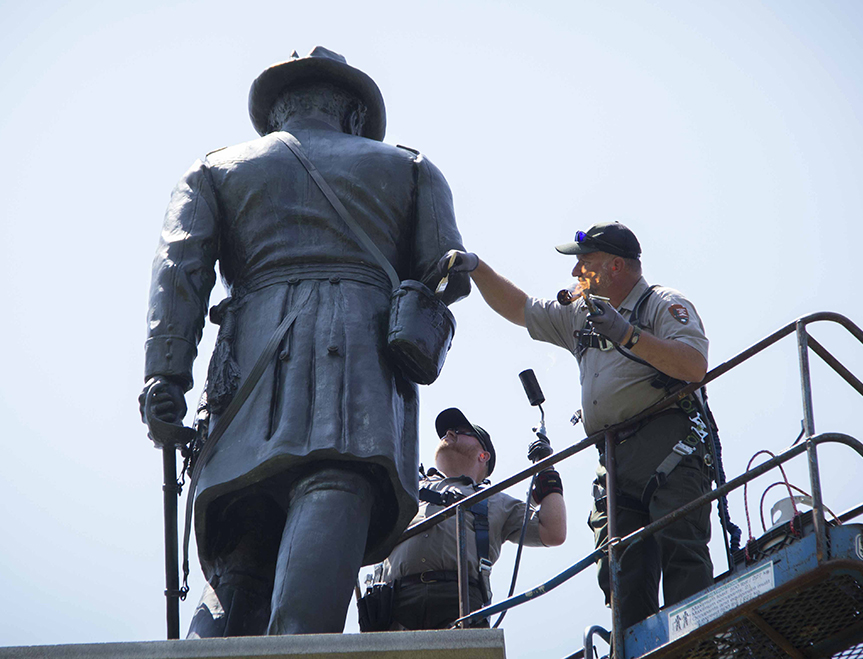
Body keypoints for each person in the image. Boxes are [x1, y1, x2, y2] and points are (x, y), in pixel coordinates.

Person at [139, 47, 470, 637]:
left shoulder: (215, 169)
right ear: (353, 115)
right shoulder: (411, 167)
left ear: (276, 113)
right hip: (359, 379)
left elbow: (178, 273)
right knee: (335, 485)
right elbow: (447, 275)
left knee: (238, 561)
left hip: (242, 385)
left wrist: (164, 378)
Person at [442, 221, 713, 629]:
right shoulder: (581, 315)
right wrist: (477, 267)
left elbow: (693, 366)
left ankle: (697, 643)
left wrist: (628, 335)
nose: (575, 273)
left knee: (680, 543)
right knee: (619, 566)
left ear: (616, 266)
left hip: (667, 441)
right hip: (614, 458)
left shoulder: (660, 304)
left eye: (584, 263)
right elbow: (520, 308)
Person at [365, 407, 567, 630]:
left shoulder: (497, 501)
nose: (449, 433)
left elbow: (553, 531)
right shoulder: (404, 486)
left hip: (459, 603)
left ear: (484, 455)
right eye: (447, 431)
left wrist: (546, 468)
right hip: (393, 604)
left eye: (460, 430)